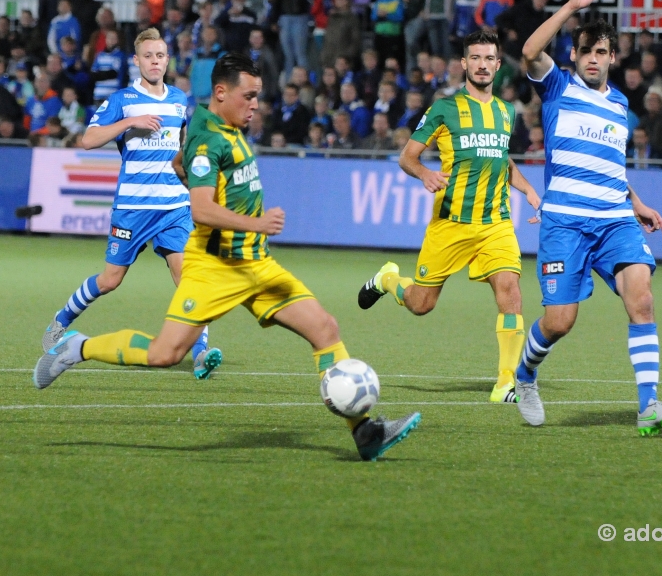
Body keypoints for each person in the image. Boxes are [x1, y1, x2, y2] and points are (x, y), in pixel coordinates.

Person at [33, 53, 421, 462]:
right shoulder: (211, 139)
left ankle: (364, 432)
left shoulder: (208, 122)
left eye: (258, 96)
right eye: (249, 96)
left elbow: (178, 161)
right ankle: (78, 347)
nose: (256, 105)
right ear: (222, 92)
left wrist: (190, 171)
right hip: (216, 268)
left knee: (325, 328)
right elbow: (200, 208)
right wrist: (258, 223)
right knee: (165, 355)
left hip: (257, 264)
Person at [516, 0, 662, 436]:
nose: (593, 58)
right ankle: (525, 374)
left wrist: (637, 202)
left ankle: (649, 405)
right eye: (586, 50)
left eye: (602, 51)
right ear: (574, 55)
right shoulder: (557, 86)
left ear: (613, 57)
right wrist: (570, 8)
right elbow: (529, 51)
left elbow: (610, 166)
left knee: (642, 301)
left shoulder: (620, 108)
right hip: (565, 223)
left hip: (614, 220)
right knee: (560, 322)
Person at [358, 29, 541, 404]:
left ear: (496, 64)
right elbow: (407, 156)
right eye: (476, 58)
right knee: (421, 304)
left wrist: (528, 190)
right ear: (464, 64)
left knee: (511, 292)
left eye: (490, 58)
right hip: (451, 223)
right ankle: (389, 279)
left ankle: (506, 382)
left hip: (495, 221)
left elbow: (501, 160)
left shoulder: (507, 112)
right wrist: (425, 173)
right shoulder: (444, 108)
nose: (483, 65)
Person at [40, 29, 213, 371]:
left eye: (160, 56)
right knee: (110, 280)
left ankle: (202, 352)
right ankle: (59, 324)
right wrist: (129, 122)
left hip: (173, 206)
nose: (155, 62)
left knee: (189, 277)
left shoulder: (179, 99)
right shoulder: (121, 100)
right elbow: (87, 140)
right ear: (136, 61)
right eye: (148, 56)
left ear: (167, 60)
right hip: (133, 207)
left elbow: (180, 147)